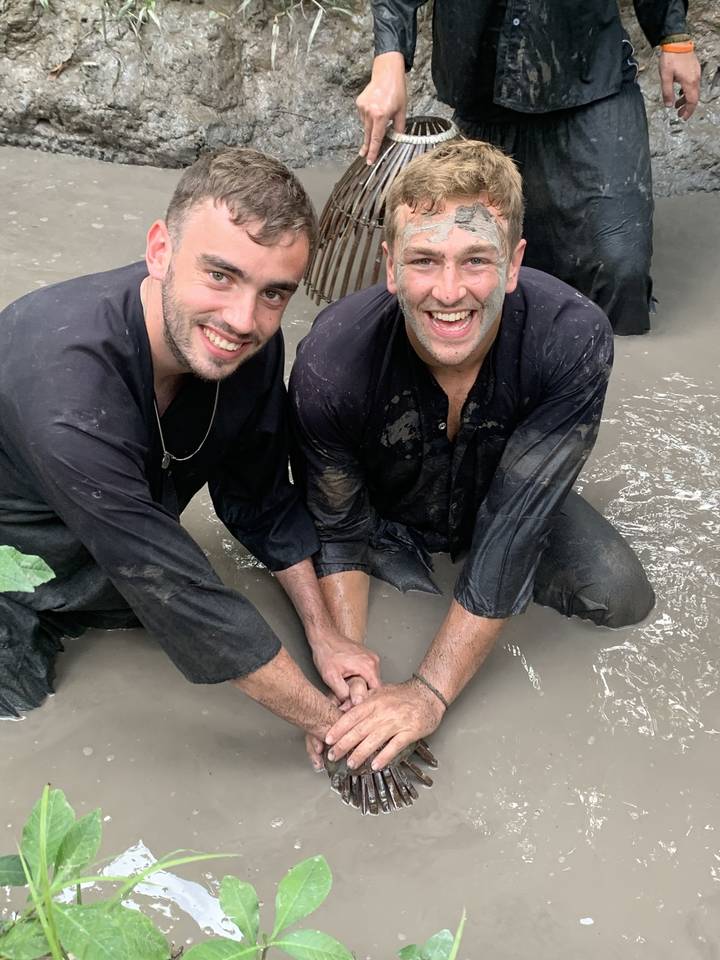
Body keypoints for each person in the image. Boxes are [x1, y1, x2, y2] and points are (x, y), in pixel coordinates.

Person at [289, 140, 655, 775]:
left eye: (476, 261)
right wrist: (348, 670)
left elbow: (516, 524)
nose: (449, 292)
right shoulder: (332, 363)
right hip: (386, 509)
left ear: (513, 265)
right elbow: (340, 528)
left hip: (506, 498)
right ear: (390, 266)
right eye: (424, 260)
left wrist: (428, 693)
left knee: (621, 596)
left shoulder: (572, 338)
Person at [0, 147, 379, 730]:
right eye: (220, 275)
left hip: (109, 549)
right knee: (25, 722)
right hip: (11, 565)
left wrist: (326, 636)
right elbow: (174, 589)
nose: (242, 319)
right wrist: (334, 725)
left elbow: (261, 501)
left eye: (274, 293)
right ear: (159, 250)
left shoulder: (245, 347)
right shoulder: (65, 385)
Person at [356, 0, 701, 336]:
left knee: (619, 271)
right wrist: (388, 57)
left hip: (589, 70)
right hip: (482, 79)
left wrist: (674, 35)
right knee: (479, 271)